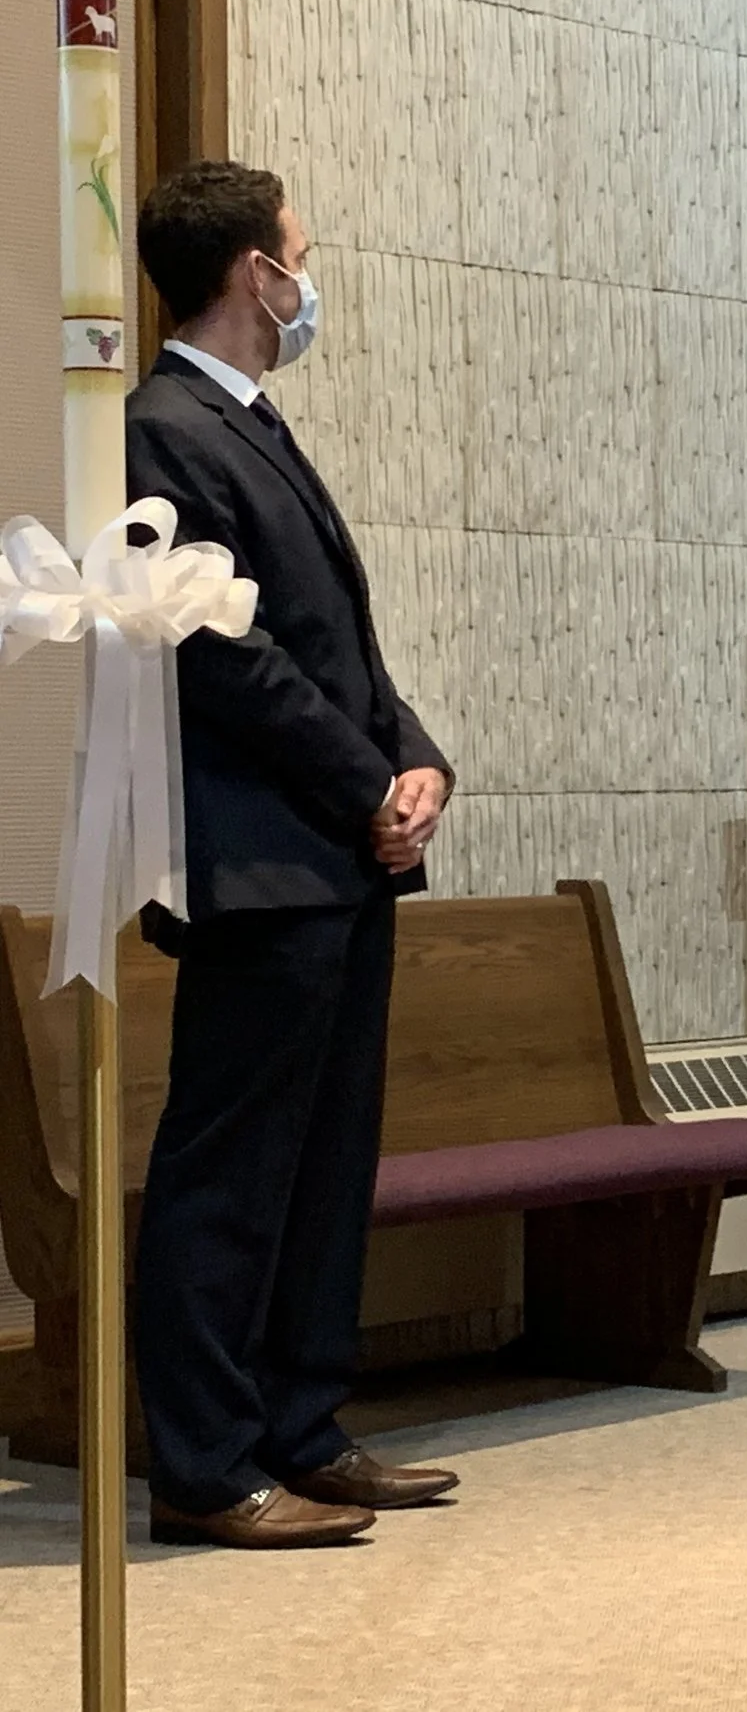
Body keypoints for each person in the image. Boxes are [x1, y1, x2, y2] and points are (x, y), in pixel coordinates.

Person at [125, 161, 461, 1549]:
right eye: (299, 257)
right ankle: (207, 1465)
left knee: (325, 1165)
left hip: (336, 856)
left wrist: (419, 758)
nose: (308, 279)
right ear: (254, 275)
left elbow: (339, 645)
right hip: (264, 863)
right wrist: (365, 780)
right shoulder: (164, 427)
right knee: (233, 1171)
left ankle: (302, 1427)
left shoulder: (251, 421)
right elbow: (227, 658)